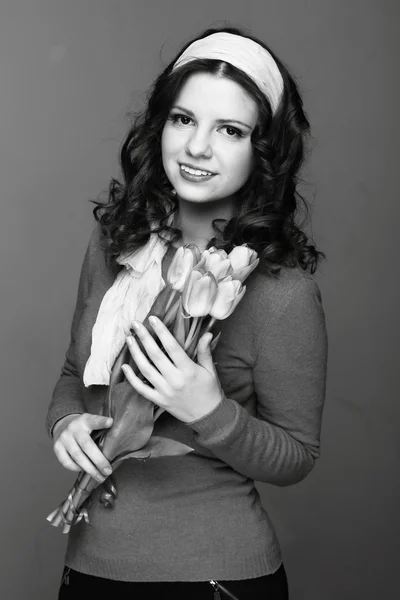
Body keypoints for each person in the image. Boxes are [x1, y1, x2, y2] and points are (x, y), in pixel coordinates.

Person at [46, 26, 328, 600]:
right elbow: (76, 377)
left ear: (263, 150)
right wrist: (65, 424)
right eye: (183, 120)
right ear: (160, 128)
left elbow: (297, 455)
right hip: (89, 568)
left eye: (230, 130)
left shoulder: (280, 290)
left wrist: (208, 409)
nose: (198, 148)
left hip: (213, 578)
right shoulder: (116, 247)